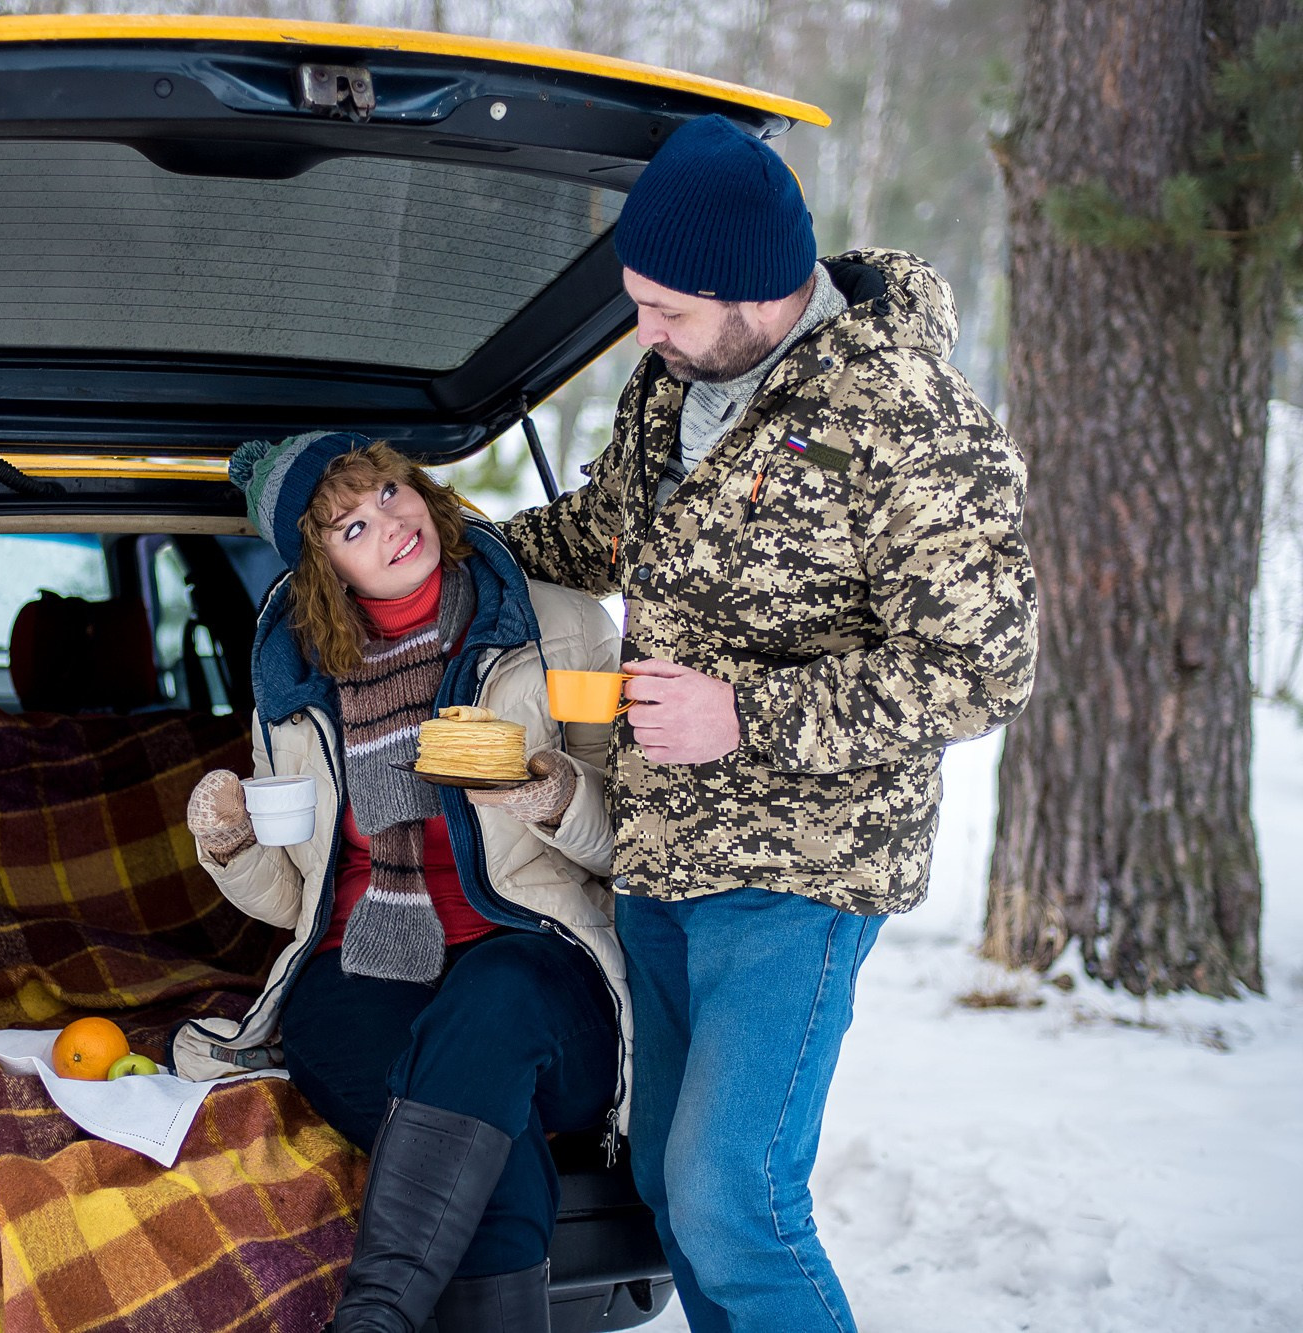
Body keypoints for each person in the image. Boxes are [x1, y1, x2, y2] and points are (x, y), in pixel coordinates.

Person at [499, 114, 1039, 1332]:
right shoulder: (670, 381)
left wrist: (742, 717)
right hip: (659, 856)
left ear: (752, 291)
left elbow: (980, 667)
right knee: (661, 1185)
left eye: (664, 309)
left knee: (730, 1190)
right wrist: (444, 552)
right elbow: (598, 532)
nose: (640, 331)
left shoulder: (906, 418)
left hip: (801, 871)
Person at [170, 433, 630, 1333]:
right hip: (360, 971)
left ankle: (374, 1314)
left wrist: (556, 794)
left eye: (389, 491)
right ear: (322, 565)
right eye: (351, 523)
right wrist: (229, 845)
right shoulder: (295, 680)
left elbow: (638, 839)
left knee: (493, 1003)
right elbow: (294, 894)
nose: (390, 522)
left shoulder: (561, 629)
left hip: (539, 964)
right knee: (483, 1142)